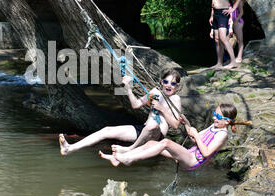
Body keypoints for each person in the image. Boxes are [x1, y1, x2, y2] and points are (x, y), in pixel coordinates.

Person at [59, 69, 182, 156]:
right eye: (166, 82)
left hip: (156, 133)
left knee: (153, 124)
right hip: (143, 130)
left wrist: (162, 109)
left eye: (173, 83)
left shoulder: (175, 99)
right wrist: (128, 89)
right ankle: (69, 148)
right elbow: (136, 105)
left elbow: (176, 125)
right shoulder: (155, 92)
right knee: (106, 130)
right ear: (161, 82)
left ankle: (130, 149)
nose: (169, 85)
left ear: (177, 86)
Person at [99, 103, 240, 170]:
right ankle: (121, 156)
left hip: (192, 160)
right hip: (189, 153)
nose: (214, 118)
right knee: (152, 143)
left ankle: (129, 159)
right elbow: (193, 137)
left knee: (166, 142)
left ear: (227, 121)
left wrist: (196, 135)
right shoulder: (214, 126)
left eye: (218, 116)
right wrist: (186, 124)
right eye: (214, 115)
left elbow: (206, 152)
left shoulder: (222, 134)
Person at [209, 0, 244, 69]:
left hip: (223, 13)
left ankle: (233, 62)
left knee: (223, 38)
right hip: (215, 13)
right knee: (217, 39)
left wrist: (232, 9)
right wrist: (211, 14)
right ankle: (219, 63)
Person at [230, 0, 245, 64]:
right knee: (235, 39)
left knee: (240, 40)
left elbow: (241, 12)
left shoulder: (240, 1)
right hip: (234, 22)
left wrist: (236, 20)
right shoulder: (234, 0)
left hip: (238, 22)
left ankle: (239, 57)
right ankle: (234, 56)